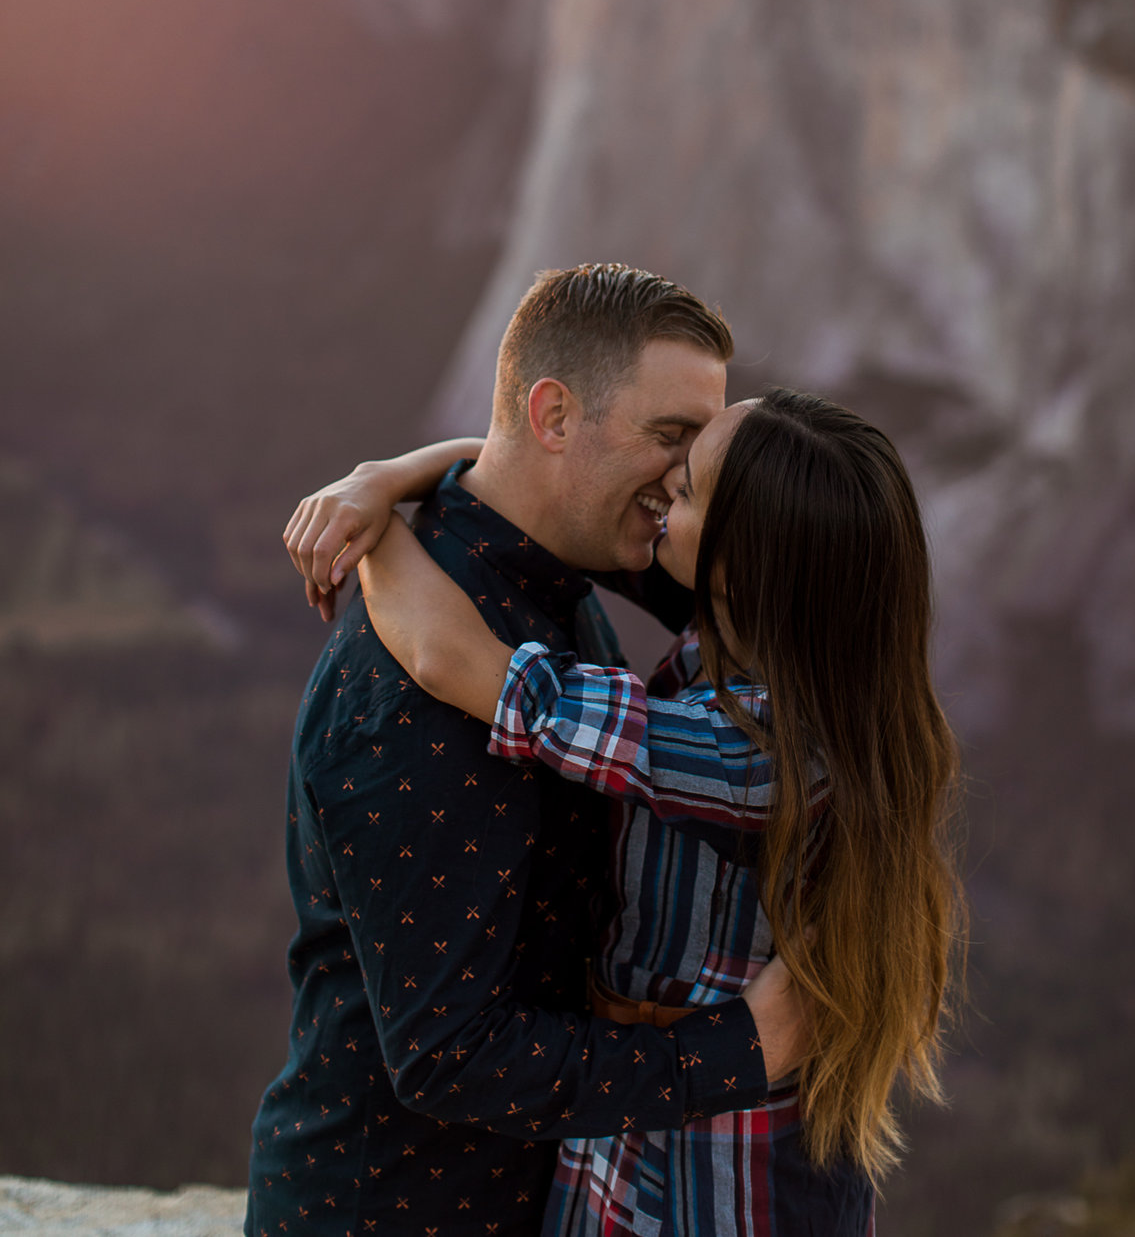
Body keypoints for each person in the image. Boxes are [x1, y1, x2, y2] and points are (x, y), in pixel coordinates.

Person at [302, 382, 961, 1236]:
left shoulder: (751, 752)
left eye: (683, 491)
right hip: (638, 1128)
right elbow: (535, 496)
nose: (658, 497)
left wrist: (374, 528)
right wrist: (387, 473)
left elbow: (448, 657)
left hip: (723, 1173)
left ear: (738, 563)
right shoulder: (787, 643)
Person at [247, 265, 810, 1236]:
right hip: (390, 1212)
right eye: (671, 437)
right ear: (554, 416)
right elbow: (448, 1056)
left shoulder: (573, 565)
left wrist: (389, 474)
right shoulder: (413, 698)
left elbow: (773, 582)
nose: (682, 483)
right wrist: (732, 1053)